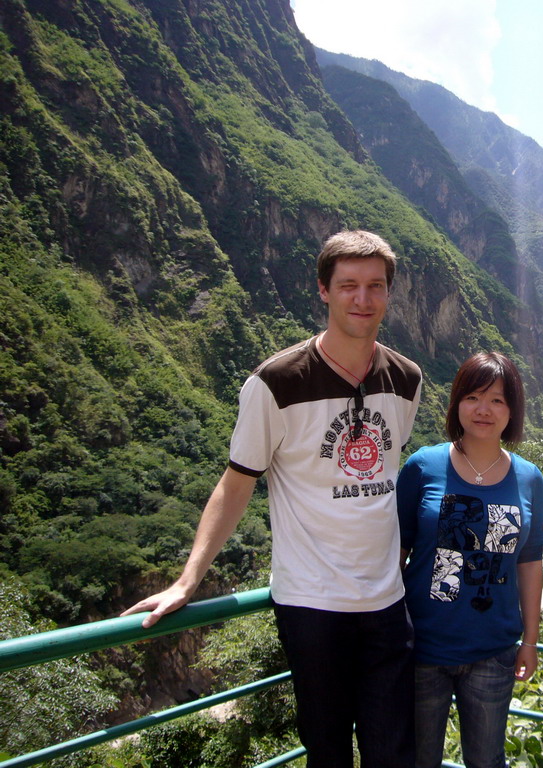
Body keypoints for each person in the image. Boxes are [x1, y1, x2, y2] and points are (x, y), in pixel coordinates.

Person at [121, 230, 422, 768]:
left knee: (393, 751)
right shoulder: (275, 382)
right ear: (323, 291)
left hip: (387, 604)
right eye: (348, 285)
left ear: (388, 294)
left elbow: (386, 477)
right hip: (313, 605)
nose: (363, 299)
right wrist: (190, 579)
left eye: (375, 286)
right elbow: (236, 482)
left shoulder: (406, 379)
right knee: (327, 752)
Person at [397, 352, 543, 768]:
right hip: (422, 647)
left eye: (498, 400)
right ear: (457, 403)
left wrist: (530, 640)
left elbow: (529, 562)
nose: (484, 409)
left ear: (512, 411)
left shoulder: (530, 478)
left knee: (486, 760)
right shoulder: (424, 466)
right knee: (417, 759)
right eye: (474, 397)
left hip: (493, 651)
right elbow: (396, 553)